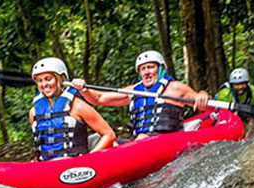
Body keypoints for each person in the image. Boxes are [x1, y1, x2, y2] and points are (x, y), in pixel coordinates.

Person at [71, 50, 210, 141]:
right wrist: (84, 89)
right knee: (100, 140)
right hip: (139, 143)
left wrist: (202, 95)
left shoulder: (176, 88)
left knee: (142, 137)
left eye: (150, 67)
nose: (146, 72)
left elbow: (206, 104)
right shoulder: (134, 91)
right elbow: (99, 99)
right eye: (143, 69)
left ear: (161, 69)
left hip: (168, 141)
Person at [30, 57, 116, 161]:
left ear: (61, 78)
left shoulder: (78, 106)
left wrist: (88, 159)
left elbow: (109, 135)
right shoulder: (34, 112)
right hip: (47, 167)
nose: (44, 84)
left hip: (74, 167)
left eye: (48, 79)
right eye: (40, 80)